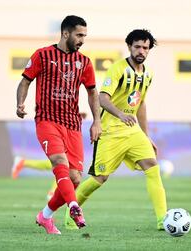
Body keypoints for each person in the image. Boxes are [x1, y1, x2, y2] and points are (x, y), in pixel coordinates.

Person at [64, 29, 167, 230]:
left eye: (145, 48)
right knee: (99, 179)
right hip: (110, 132)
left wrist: (146, 136)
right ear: (129, 47)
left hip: (133, 131)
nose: (141, 51)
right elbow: (102, 98)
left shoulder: (148, 73)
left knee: (153, 168)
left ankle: (163, 220)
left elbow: (141, 103)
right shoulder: (118, 69)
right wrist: (120, 114)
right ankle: (70, 213)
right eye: (137, 46)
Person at [16, 15, 102, 235]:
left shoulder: (84, 62)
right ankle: (75, 206)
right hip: (47, 120)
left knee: (74, 179)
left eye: (85, 35)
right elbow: (25, 80)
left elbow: (92, 92)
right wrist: (20, 103)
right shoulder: (42, 55)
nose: (82, 40)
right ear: (66, 33)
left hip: (72, 123)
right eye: (79, 35)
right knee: (58, 161)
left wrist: (96, 122)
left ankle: (44, 216)